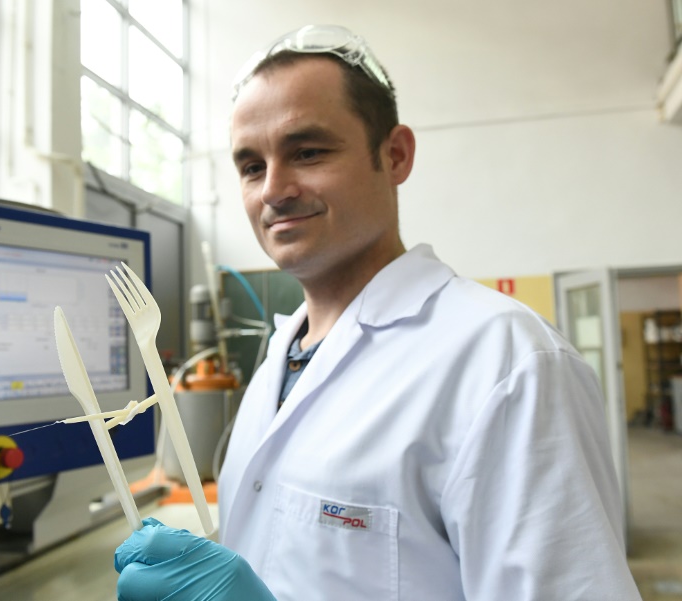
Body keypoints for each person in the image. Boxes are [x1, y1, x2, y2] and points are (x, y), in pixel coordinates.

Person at [114, 25, 642, 600]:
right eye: (251, 167)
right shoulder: (277, 365)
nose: (273, 190)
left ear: (394, 156)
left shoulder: (507, 363)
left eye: (308, 152)